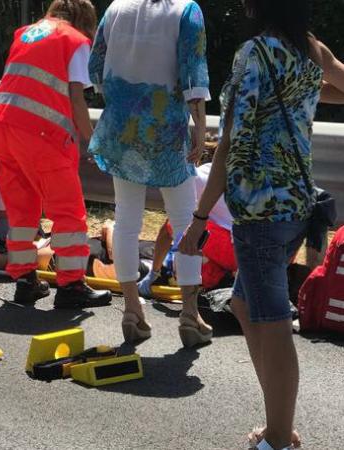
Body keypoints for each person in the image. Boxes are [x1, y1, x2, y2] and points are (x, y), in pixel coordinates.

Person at [179, 1, 344, 448]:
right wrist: (307, 87)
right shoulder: (311, 50)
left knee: (271, 322)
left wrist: (198, 218)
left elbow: (230, 141)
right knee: (243, 305)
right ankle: (278, 422)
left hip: (259, 211)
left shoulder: (253, 53)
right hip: (297, 205)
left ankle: (277, 437)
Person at [88, 0, 211, 346]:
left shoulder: (116, 8)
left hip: (121, 131)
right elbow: (193, 71)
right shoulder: (186, 10)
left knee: (127, 219)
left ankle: (132, 312)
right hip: (167, 131)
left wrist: (121, 99)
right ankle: (190, 315)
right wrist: (200, 127)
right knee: (185, 219)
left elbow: (95, 66)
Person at [0, 0, 111, 309]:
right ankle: (71, 286)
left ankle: (25, 281)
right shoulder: (74, 40)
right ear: (85, 19)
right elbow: (76, 99)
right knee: (67, 210)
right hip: (40, 133)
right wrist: (91, 141)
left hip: (1, 125)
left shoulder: (26, 33)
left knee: (20, 209)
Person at [138, 163, 237, 296]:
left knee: (177, 221)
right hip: (246, 251)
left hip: (233, 250)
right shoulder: (210, 170)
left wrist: (153, 273)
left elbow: (167, 230)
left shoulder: (191, 181)